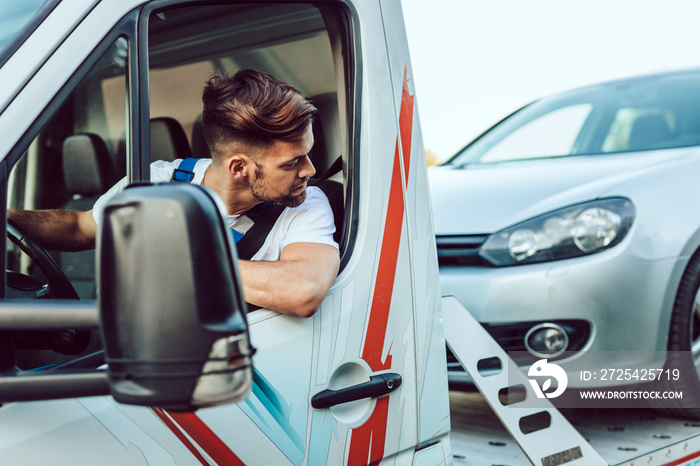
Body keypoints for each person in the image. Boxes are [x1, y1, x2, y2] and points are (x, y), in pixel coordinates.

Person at [9, 69, 340, 317]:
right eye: (293, 162)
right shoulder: (156, 183)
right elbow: (79, 228)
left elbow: (304, 290)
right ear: (238, 168)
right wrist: (6, 219)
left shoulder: (306, 204)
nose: (310, 170)